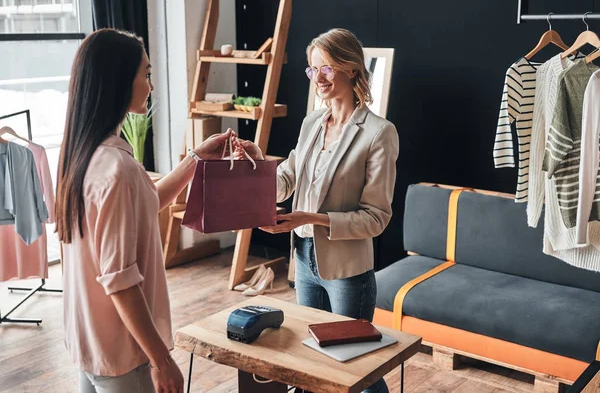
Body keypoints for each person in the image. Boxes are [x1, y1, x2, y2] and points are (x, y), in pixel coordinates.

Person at [55, 29, 237, 393]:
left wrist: (196, 158)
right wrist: (161, 359)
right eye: (146, 74)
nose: (151, 86)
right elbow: (121, 282)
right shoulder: (117, 169)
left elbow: (147, 200)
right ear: (120, 80)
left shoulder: (81, 155)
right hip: (126, 354)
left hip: (89, 345)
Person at [236, 28, 399, 393]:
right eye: (312, 70)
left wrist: (309, 218)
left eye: (326, 68)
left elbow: (377, 218)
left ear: (351, 68)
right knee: (312, 356)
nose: (318, 79)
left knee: (356, 366)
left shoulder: (379, 133)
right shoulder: (311, 122)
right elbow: (286, 179)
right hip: (304, 260)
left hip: (347, 271)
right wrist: (259, 163)